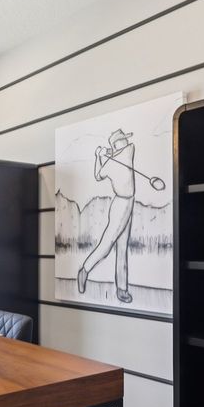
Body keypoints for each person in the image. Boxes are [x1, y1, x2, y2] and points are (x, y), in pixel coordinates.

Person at [77, 128, 135, 303]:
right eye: (123, 140)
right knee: (107, 244)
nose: (127, 142)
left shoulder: (128, 151)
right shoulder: (113, 162)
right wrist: (100, 156)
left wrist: (101, 155)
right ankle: (85, 270)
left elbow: (99, 172)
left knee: (122, 247)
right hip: (120, 204)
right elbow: (97, 175)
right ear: (118, 144)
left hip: (129, 201)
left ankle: (121, 288)